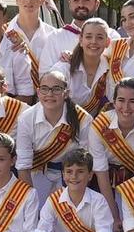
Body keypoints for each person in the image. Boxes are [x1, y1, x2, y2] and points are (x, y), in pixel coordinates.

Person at [16, 66, 86, 196]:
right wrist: (30, 201)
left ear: (66, 93)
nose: (49, 94)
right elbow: (23, 166)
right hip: (36, 176)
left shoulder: (83, 119)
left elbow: (85, 162)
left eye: (56, 89)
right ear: (38, 92)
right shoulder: (26, 118)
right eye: (45, 89)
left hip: (71, 179)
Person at [86, 77, 134, 189]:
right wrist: (111, 206)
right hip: (102, 182)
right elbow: (101, 172)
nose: (126, 107)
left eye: (133, 101)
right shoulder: (100, 125)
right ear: (114, 102)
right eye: (121, 100)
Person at [8, 0, 75, 92]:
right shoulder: (5, 33)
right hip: (14, 102)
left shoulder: (54, 35)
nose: (28, 0)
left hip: (48, 100)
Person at [66, 18, 118, 114]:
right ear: (81, 40)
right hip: (67, 126)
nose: (94, 41)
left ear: (107, 42)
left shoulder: (113, 70)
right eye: (88, 37)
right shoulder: (65, 67)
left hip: (100, 125)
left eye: (100, 37)